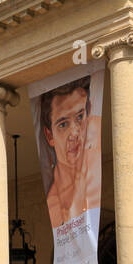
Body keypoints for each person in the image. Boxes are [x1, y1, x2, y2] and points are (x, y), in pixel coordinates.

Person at [40, 77, 101, 227]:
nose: (74, 133)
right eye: (63, 124)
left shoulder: (96, 159)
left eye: (80, 117)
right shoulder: (56, 204)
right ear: (49, 136)